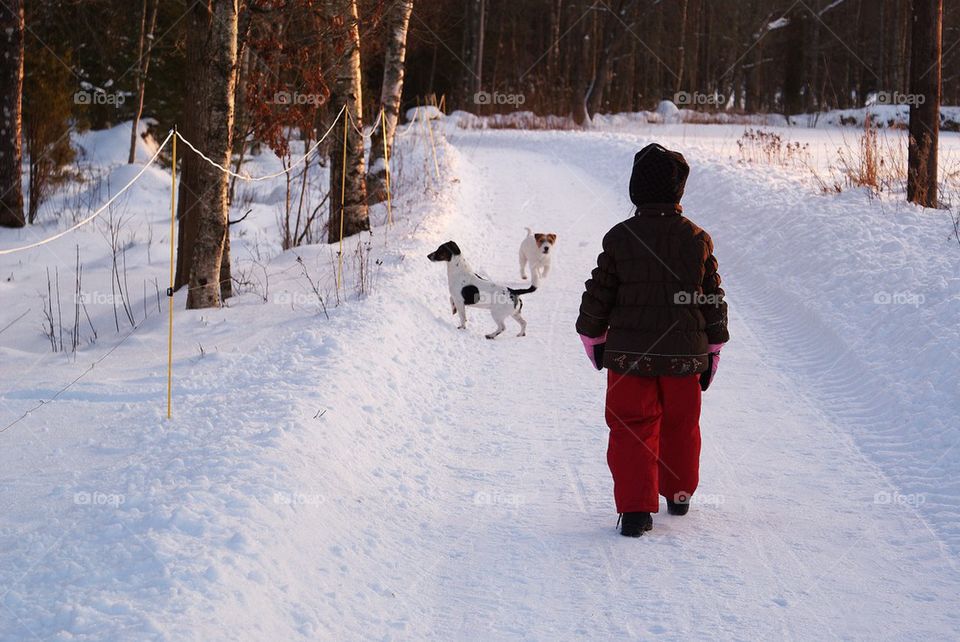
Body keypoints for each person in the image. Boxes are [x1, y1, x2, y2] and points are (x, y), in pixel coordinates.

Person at [576, 143, 729, 537]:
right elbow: (712, 298)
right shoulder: (696, 240)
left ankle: (635, 512)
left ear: (634, 190)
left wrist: (593, 336)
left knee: (631, 427)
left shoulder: (620, 238)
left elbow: (599, 294)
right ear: (678, 191)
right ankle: (678, 494)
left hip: (630, 359)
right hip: (684, 357)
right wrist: (713, 348)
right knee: (681, 423)